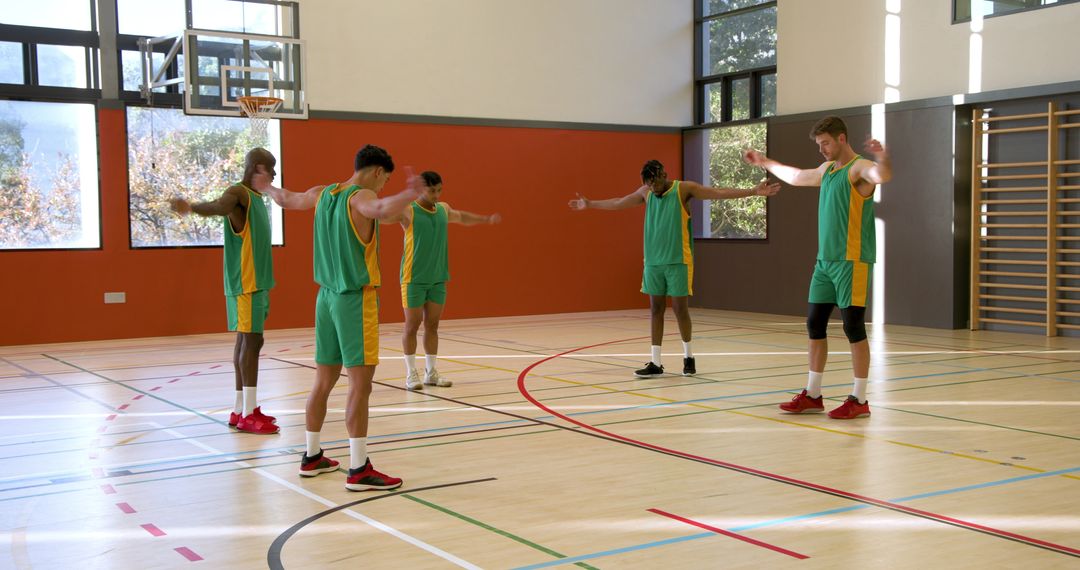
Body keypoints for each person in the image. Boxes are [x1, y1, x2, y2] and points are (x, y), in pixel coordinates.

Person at [260, 144, 420, 491]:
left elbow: (286, 198)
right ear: (377, 171)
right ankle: (359, 468)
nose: (382, 187)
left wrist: (265, 187)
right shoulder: (360, 195)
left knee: (323, 381)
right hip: (354, 300)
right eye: (385, 180)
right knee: (360, 386)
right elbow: (377, 207)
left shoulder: (323, 193)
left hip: (325, 299)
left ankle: (312, 456)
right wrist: (409, 193)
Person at [569, 160, 779, 378]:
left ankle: (688, 357)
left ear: (664, 175)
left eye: (656, 183)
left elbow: (717, 192)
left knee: (680, 310)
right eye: (649, 184)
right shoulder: (646, 192)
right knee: (656, 310)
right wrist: (591, 204)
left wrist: (753, 191)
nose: (653, 187)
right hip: (653, 262)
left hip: (678, 260)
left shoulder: (683, 189)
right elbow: (619, 202)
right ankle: (655, 362)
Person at [743, 115, 892, 419]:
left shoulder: (859, 169)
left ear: (841, 139)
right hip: (824, 262)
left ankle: (859, 399)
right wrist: (765, 161)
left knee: (853, 327)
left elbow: (881, 175)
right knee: (815, 325)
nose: (821, 149)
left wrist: (882, 155)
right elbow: (797, 176)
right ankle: (813, 394)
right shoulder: (827, 171)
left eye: (825, 143)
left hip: (852, 260)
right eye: (818, 144)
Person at [169, 148, 279, 435]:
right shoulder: (238, 193)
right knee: (251, 343)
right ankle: (248, 414)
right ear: (258, 168)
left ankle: (241, 409)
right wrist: (191, 207)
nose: (275, 174)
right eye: (271, 168)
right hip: (247, 282)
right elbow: (219, 207)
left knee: (246, 342)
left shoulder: (256, 198)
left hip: (256, 281)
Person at [382, 171, 501, 391]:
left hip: (438, 278)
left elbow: (462, 217)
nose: (436, 195)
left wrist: (485, 219)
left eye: (439, 190)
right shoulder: (409, 211)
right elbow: (382, 216)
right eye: (431, 190)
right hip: (413, 278)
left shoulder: (443, 209)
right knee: (412, 325)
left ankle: (431, 372)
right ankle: (411, 373)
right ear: (421, 189)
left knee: (432, 325)